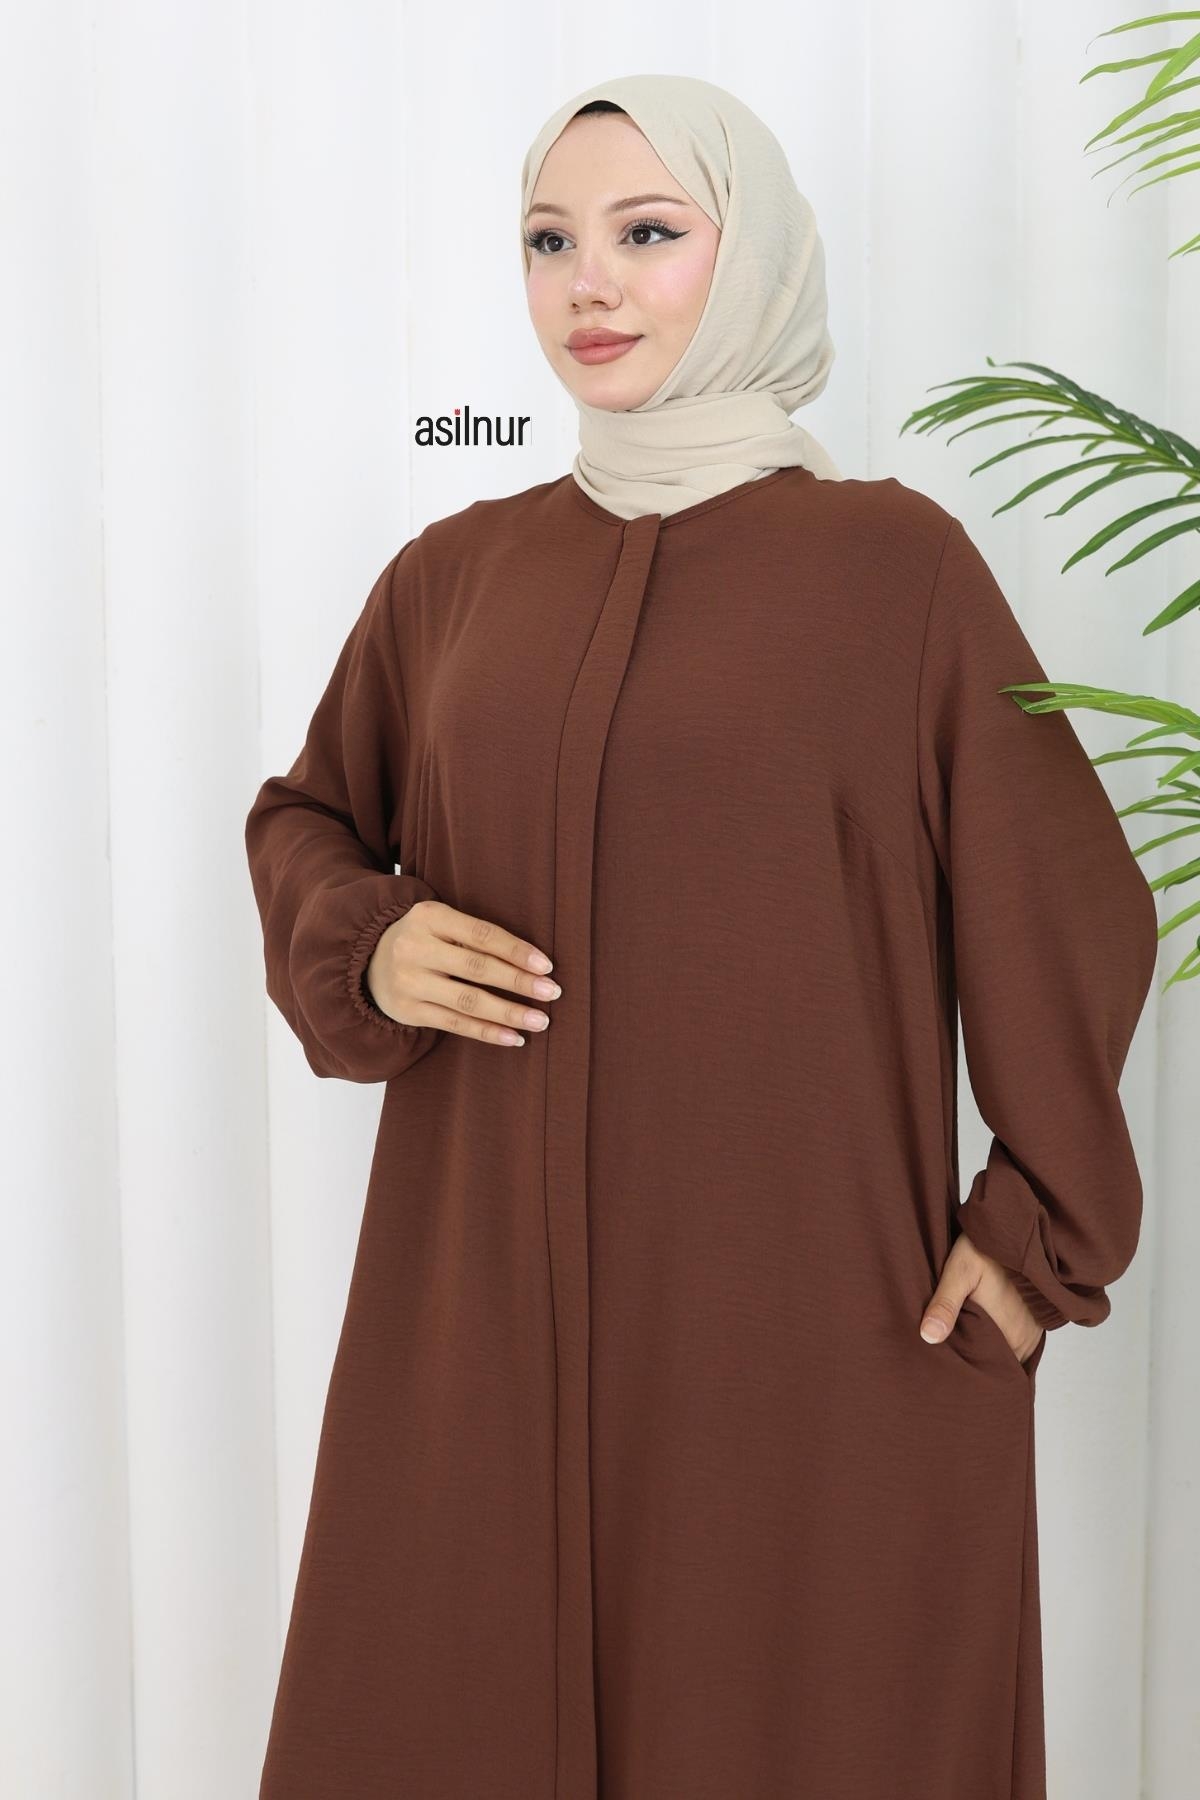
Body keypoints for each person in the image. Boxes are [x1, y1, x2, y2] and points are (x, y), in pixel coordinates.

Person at [245, 72, 1160, 1800]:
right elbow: (304, 820)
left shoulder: (892, 568)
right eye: (549, 241)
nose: (588, 282)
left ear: (751, 260)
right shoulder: (453, 577)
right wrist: (365, 941)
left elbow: (1073, 899)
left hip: (808, 1346)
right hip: (480, 1340)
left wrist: (1036, 1237)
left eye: (647, 233)